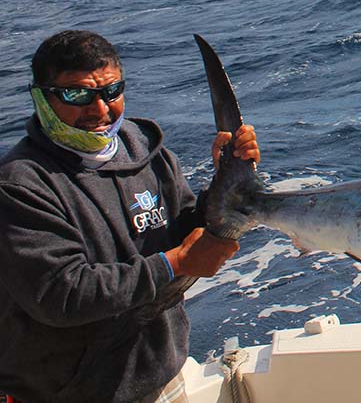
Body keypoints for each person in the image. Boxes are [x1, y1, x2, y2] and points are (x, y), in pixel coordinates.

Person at [0, 30, 259, 403]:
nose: (100, 110)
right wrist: (177, 263)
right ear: (40, 97)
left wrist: (226, 179)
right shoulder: (19, 185)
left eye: (111, 91)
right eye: (77, 94)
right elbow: (62, 295)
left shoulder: (144, 149)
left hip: (161, 377)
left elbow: (184, 230)